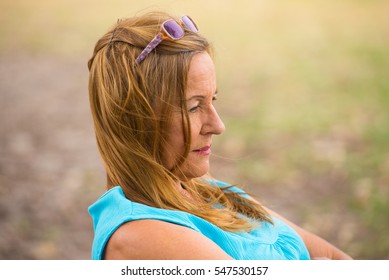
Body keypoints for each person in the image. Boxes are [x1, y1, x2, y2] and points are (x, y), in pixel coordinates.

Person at [87, 11, 352, 260]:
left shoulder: (206, 190)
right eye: (193, 106)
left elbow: (335, 257)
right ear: (133, 120)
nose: (218, 125)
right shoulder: (140, 236)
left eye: (212, 99)